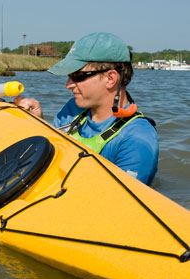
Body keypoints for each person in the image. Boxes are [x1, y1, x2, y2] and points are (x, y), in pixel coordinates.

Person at [14, 32, 158, 185]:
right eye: (69, 76)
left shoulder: (137, 139)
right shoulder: (72, 108)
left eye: (77, 76)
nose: (68, 85)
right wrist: (38, 123)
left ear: (110, 79)